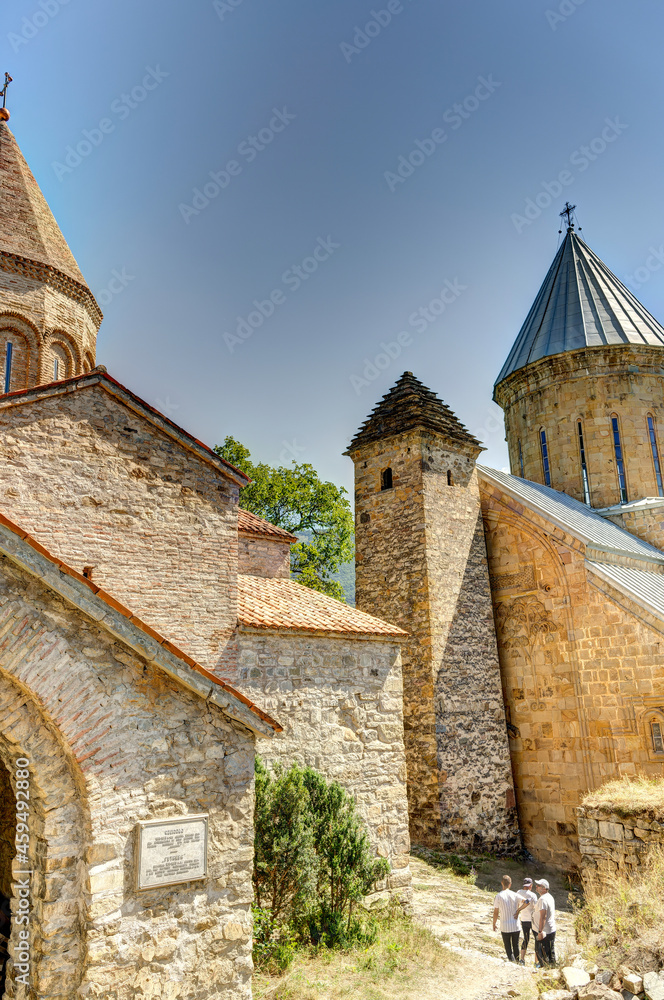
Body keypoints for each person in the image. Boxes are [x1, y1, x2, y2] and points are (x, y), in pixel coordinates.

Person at [492, 874, 520, 962]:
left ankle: (512, 962)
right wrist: (519, 910)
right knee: (516, 945)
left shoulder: (498, 896)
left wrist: (494, 923)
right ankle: (518, 962)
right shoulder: (515, 895)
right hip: (515, 925)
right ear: (510, 884)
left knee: (508, 946)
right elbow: (526, 901)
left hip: (505, 925)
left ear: (502, 883)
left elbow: (496, 912)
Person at [533, 878, 556, 966]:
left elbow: (543, 916)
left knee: (542, 954)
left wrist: (540, 931)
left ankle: (545, 971)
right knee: (550, 953)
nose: (536, 887)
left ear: (544, 888)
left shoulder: (543, 899)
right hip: (551, 929)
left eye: (538, 886)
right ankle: (552, 968)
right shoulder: (550, 897)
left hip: (545, 931)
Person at [515, 876, 538, 965]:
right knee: (536, 939)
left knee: (526, 938)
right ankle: (536, 961)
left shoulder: (518, 892)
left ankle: (522, 959)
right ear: (531, 885)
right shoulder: (533, 895)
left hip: (523, 919)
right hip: (532, 920)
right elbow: (536, 907)